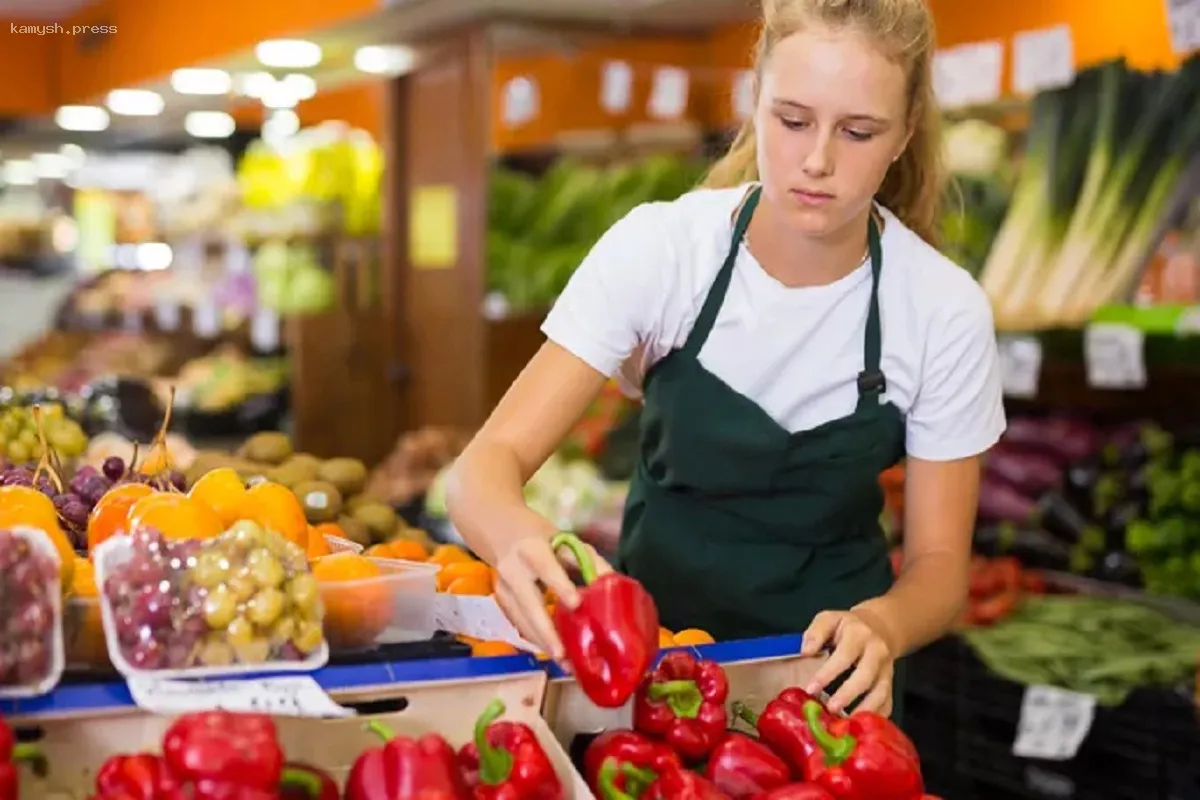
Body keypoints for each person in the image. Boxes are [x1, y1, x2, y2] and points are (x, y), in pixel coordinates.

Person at [446, 0, 1004, 720]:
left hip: (823, 699)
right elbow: (482, 467)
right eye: (792, 119)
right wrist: (517, 535)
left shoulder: (940, 309)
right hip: (648, 676)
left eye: (858, 131)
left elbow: (938, 569)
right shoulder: (665, 250)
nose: (817, 160)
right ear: (755, 97)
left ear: (902, 135)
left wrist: (885, 626)